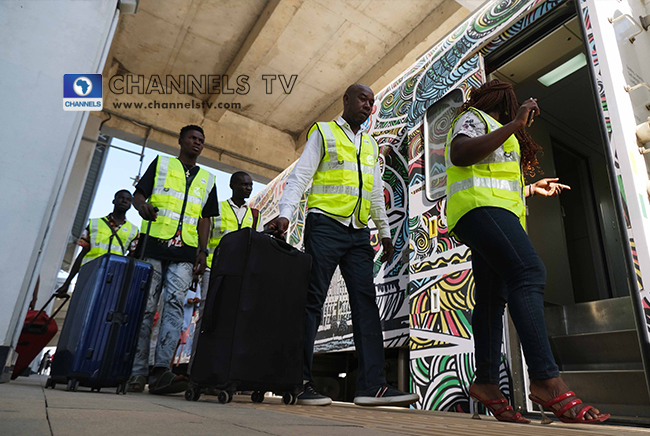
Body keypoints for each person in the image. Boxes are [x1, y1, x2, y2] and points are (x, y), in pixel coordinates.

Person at [445, 79, 609, 424]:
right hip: (478, 210)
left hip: (490, 211)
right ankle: (546, 380)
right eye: (512, 104)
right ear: (502, 101)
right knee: (528, 272)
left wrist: (531, 188)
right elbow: (461, 155)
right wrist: (516, 123)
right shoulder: (474, 118)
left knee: (492, 298)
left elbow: (492, 178)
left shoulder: (497, 131)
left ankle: (487, 382)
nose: (515, 109)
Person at [268, 83, 419, 407]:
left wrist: (386, 232)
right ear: (346, 100)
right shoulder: (323, 132)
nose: (368, 105)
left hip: (358, 233)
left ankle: (372, 386)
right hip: (325, 226)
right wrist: (285, 214)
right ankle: (298, 382)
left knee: (366, 304)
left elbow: (376, 192)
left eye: (372, 102)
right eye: (363, 99)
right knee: (313, 301)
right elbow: (301, 176)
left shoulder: (370, 145)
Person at [127, 124, 218, 395]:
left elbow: (205, 218)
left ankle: (160, 371)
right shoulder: (162, 164)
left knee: (175, 307)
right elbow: (138, 194)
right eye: (192, 138)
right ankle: (136, 372)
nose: (197, 143)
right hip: (154, 246)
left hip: (185, 253)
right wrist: (141, 206)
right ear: (180, 140)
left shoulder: (208, 179)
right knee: (146, 309)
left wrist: (203, 251)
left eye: (201, 140)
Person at [198, 171, 262, 319]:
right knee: (207, 310)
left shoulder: (255, 215)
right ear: (232, 186)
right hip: (213, 269)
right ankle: (200, 342)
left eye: (250, 185)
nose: (249, 188)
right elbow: (204, 238)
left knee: (232, 314)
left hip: (241, 272)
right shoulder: (217, 209)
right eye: (244, 184)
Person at [56, 190, 139, 295]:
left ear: (130, 205)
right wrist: (67, 282)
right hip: (89, 273)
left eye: (128, 200)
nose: (124, 201)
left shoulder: (134, 231)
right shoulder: (94, 224)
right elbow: (82, 253)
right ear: (114, 201)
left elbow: (133, 258)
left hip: (113, 277)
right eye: (121, 198)